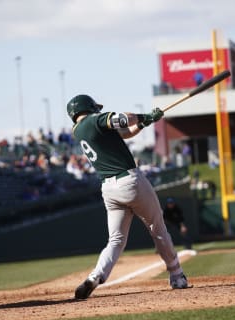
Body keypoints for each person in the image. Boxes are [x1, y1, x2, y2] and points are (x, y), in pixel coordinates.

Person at [66, 94, 189, 300]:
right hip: (130, 180)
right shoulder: (95, 120)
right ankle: (177, 275)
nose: (97, 110)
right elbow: (122, 118)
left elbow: (124, 133)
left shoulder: (79, 131)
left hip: (109, 189)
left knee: (115, 240)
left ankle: (95, 276)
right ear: (87, 107)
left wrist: (143, 123)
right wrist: (144, 115)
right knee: (157, 229)